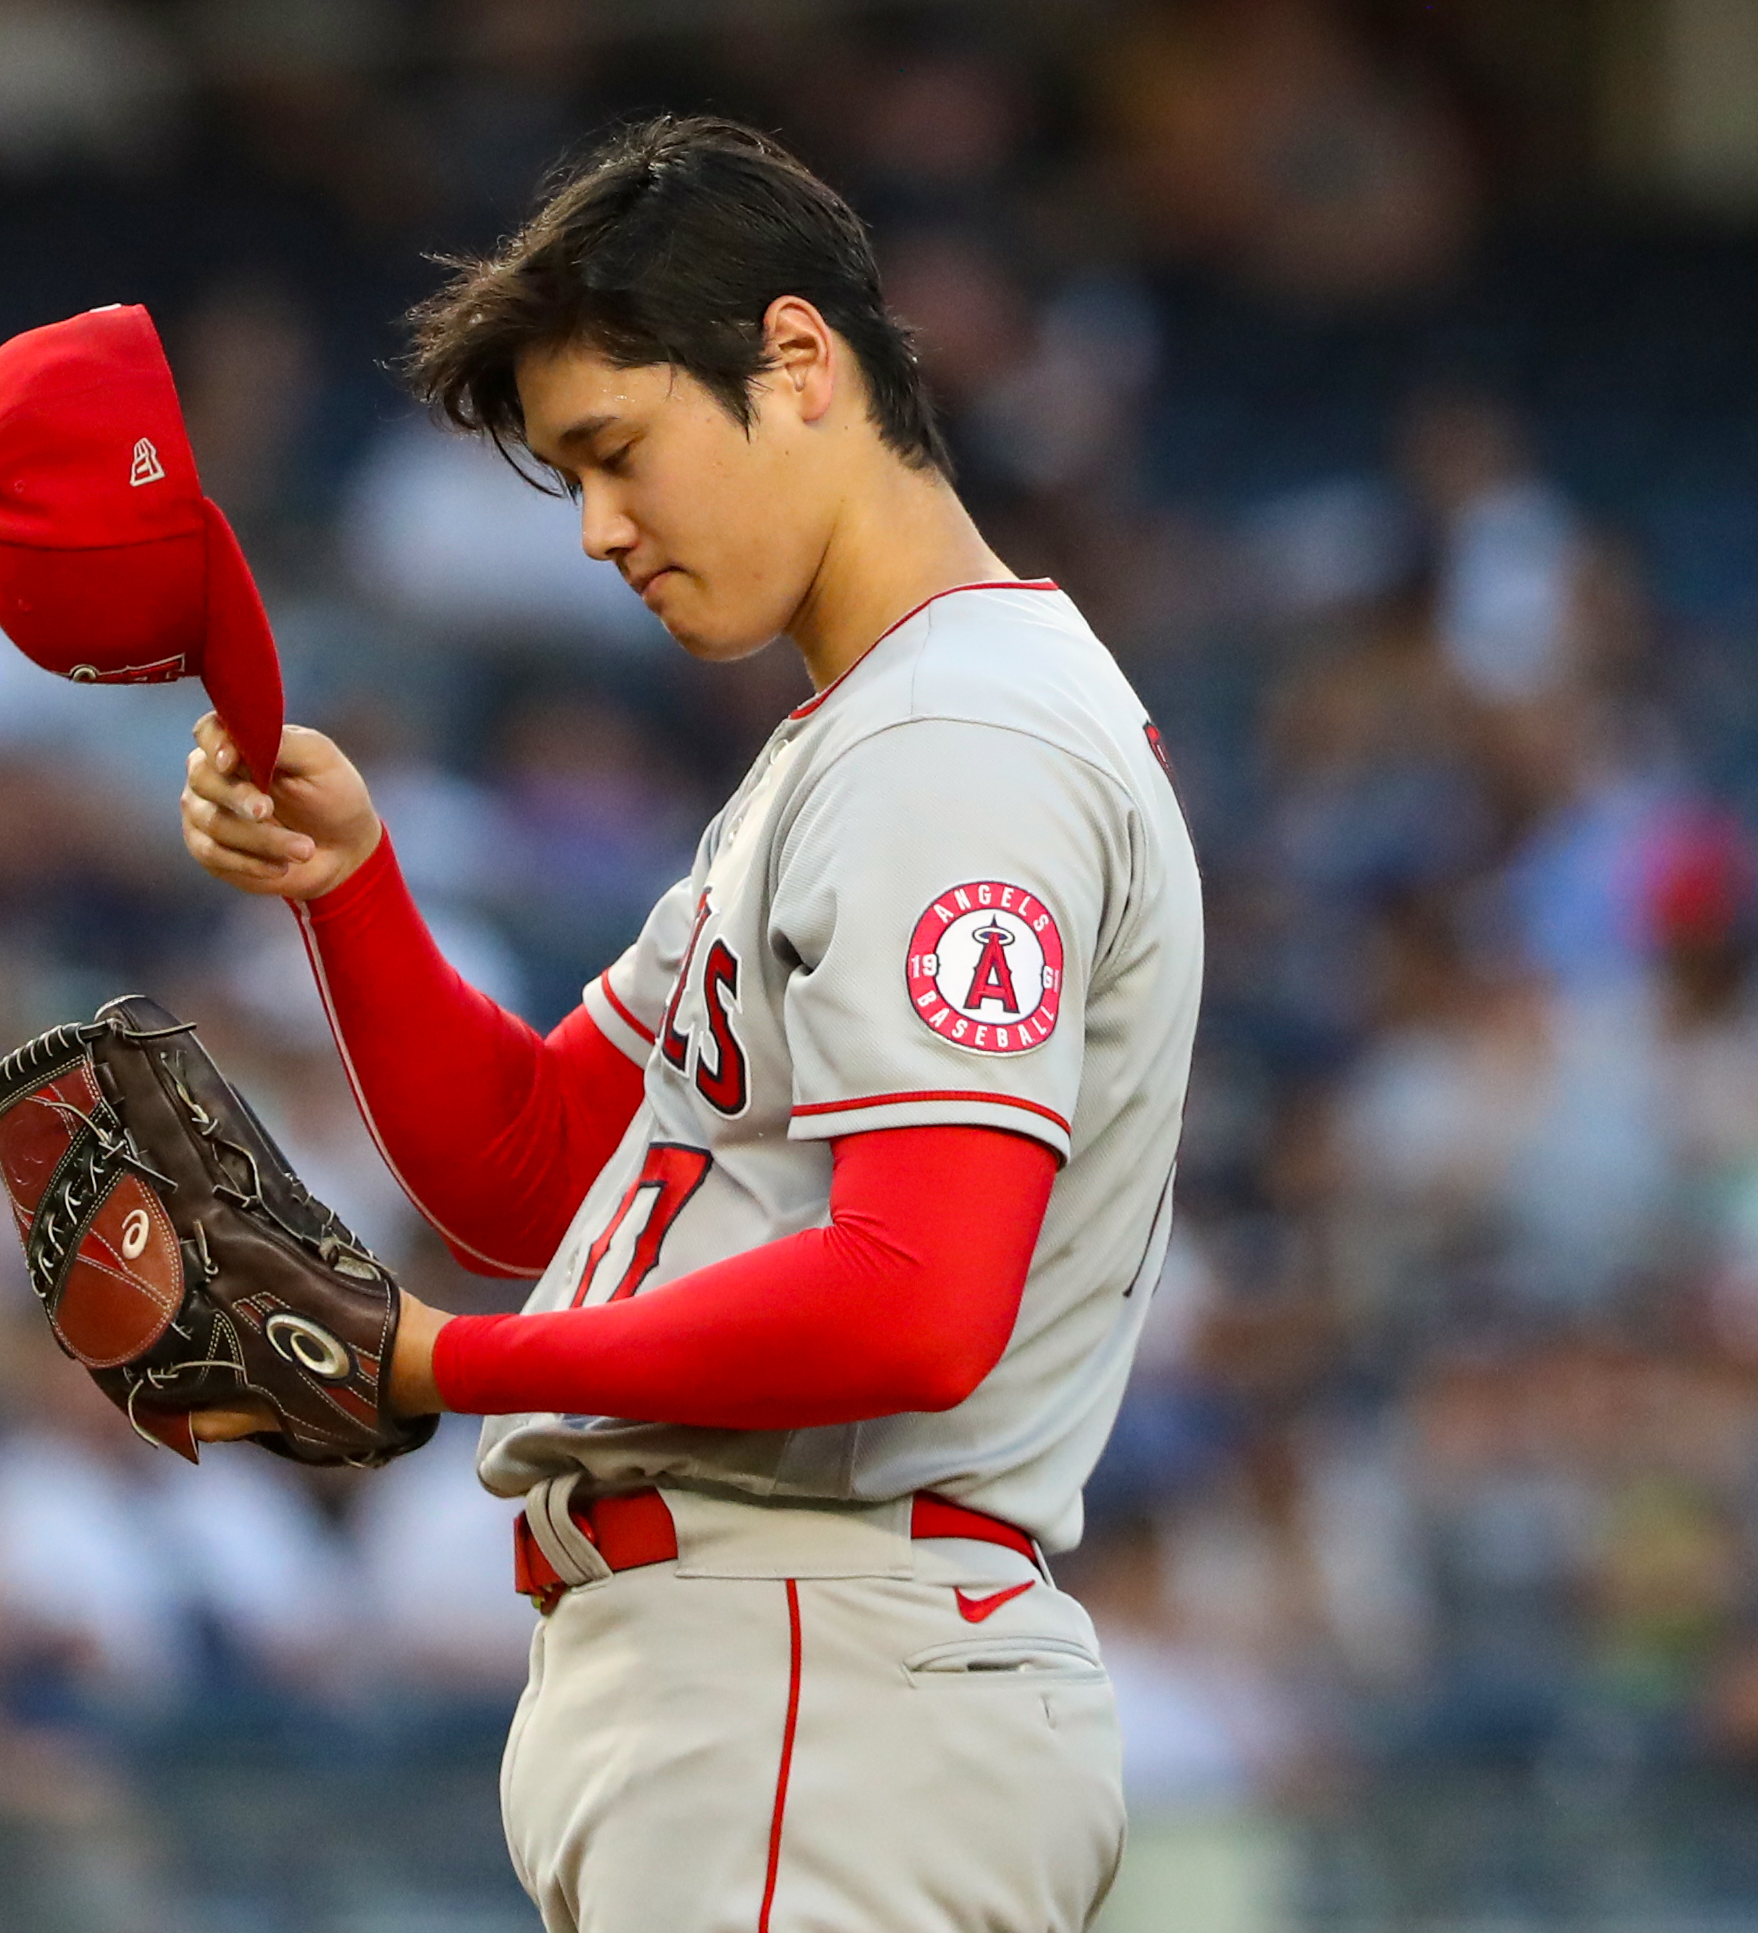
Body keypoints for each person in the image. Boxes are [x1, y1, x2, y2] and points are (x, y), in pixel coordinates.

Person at [176, 116, 1202, 1933]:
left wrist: (436, 1363)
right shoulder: (867, 733)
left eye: (614, 450)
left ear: (796, 362)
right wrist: (350, 888)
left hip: (816, 1667)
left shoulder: (954, 740)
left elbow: (915, 1294)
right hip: (779, 1683)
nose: (598, 529)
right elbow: (542, 1174)